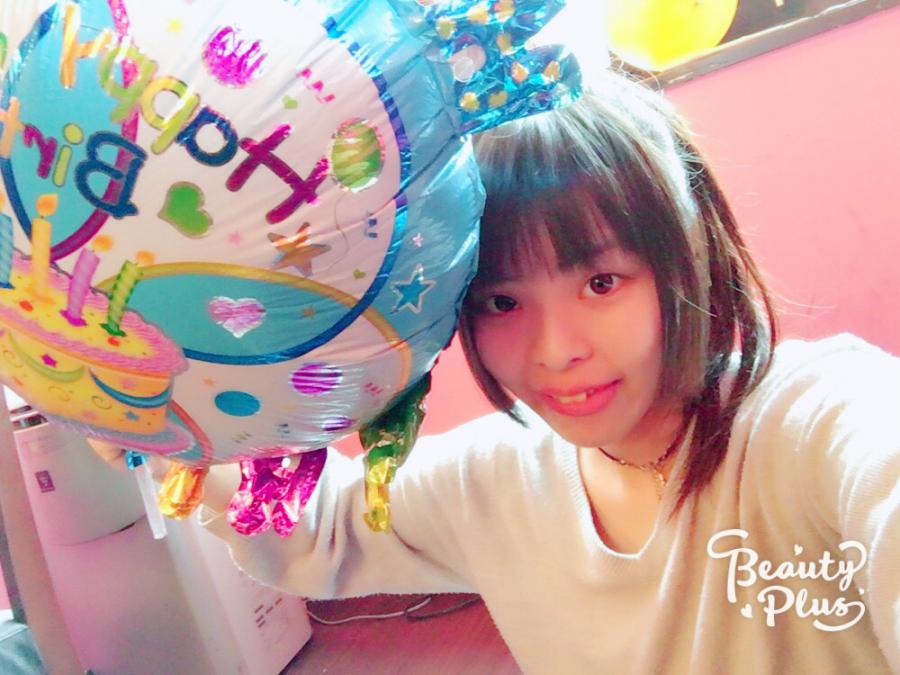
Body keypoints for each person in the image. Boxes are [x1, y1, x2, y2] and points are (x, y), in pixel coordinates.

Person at [93, 71, 900, 674]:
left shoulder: (809, 425)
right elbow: (323, 521)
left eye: (601, 282)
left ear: (684, 258)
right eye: (502, 301)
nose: (554, 350)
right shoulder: (498, 479)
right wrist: (163, 416)